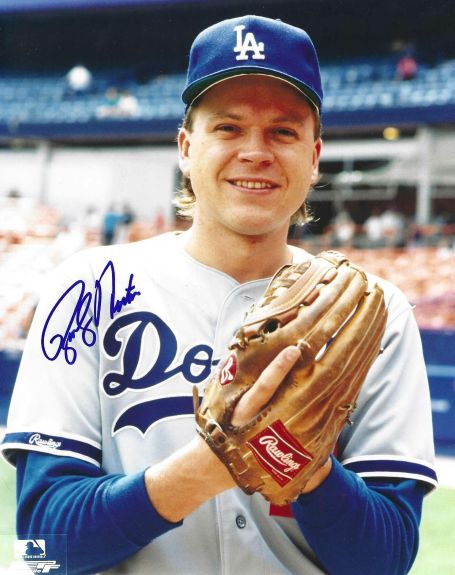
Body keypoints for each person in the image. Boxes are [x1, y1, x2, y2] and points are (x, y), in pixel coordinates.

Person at [1, 15, 437, 575]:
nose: (255, 152)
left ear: (314, 157)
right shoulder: (87, 286)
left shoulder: (372, 313)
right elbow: (43, 546)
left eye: (283, 131)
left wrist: (308, 469)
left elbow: (387, 559)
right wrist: (210, 465)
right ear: (186, 148)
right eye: (228, 128)